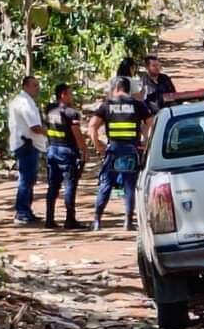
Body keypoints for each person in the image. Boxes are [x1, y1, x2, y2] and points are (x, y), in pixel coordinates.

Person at [89, 76, 154, 231]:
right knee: (129, 186)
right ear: (127, 89)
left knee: (106, 184)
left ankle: (97, 221)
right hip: (131, 150)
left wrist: (98, 144)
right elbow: (152, 123)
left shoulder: (107, 105)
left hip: (113, 150)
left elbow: (92, 126)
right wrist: (146, 141)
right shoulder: (138, 105)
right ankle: (128, 222)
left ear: (115, 88)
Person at [44, 84, 88, 230]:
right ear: (63, 95)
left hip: (52, 150)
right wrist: (84, 150)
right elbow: (76, 133)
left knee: (53, 186)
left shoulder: (49, 109)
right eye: (70, 93)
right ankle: (70, 219)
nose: (72, 96)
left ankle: (49, 219)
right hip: (66, 152)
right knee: (69, 185)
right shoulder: (71, 113)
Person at [7, 75, 47, 225]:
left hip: (27, 144)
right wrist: (51, 132)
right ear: (25, 86)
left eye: (37, 85)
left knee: (29, 179)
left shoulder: (25, 101)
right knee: (26, 179)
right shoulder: (24, 103)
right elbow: (34, 127)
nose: (37, 88)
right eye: (34, 85)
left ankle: (26, 211)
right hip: (26, 144)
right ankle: (22, 212)